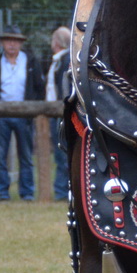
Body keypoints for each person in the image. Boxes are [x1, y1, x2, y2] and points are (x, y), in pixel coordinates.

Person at [0, 25, 45, 202]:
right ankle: (2, 192)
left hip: (24, 115)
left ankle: (27, 193)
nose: (12, 44)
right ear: (2, 43)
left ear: (21, 43)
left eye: (16, 41)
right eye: (8, 40)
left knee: (25, 155)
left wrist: (32, 108)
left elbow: (39, 88)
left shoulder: (31, 62)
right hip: (1, 114)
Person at [47, 26, 73, 200]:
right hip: (54, 112)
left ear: (56, 42)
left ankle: (63, 191)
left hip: (60, 113)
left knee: (62, 153)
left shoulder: (64, 60)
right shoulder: (59, 60)